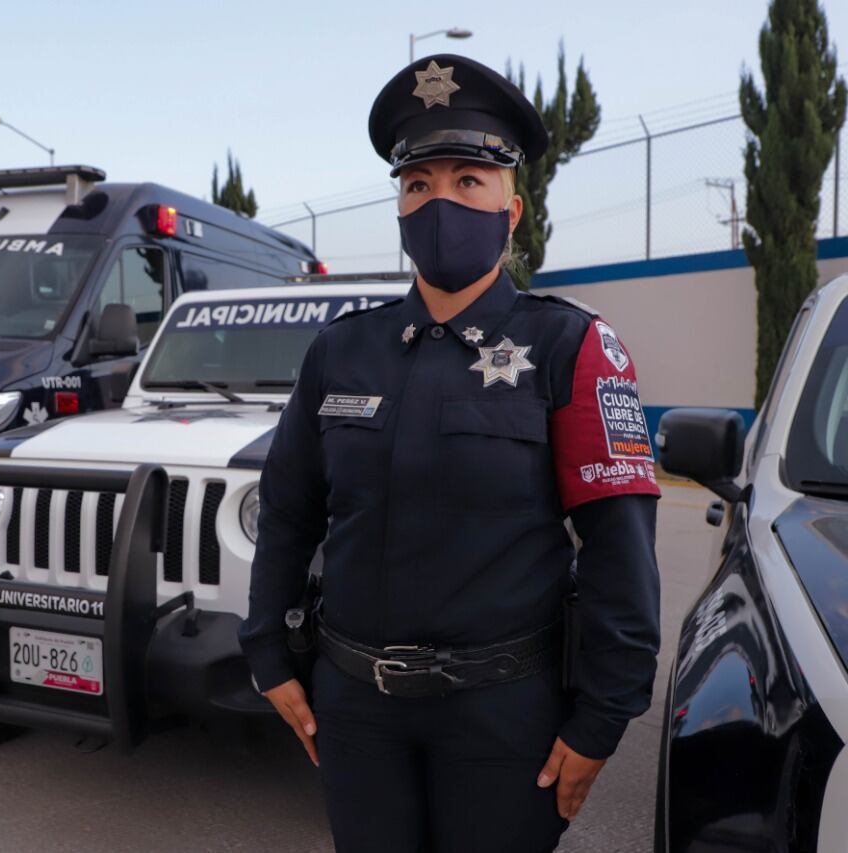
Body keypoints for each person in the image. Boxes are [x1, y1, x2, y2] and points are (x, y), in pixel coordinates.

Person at [240, 54, 661, 852]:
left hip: (507, 717)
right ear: (399, 206)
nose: (440, 201)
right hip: (356, 712)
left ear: (513, 209)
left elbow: (619, 548)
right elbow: (289, 511)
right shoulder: (341, 351)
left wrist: (604, 715)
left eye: (469, 180)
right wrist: (269, 649)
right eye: (418, 183)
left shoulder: (572, 345)